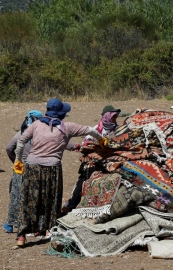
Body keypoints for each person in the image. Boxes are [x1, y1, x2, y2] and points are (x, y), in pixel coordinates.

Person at [13, 98, 105, 247]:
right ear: (61, 113)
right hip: (52, 168)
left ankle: (22, 236)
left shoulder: (36, 124)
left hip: (32, 166)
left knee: (28, 199)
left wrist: (18, 159)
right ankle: (50, 230)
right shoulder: (67, 127)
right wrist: (102, 141)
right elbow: (91, 130)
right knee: (51, 200)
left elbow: (21, 141)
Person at [62, 104, 121, 213]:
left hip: (110, 161)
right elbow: (85, 143)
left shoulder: (118, 129)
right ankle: (71, 205)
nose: (115, 119)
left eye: (116, 117)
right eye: (113, 117)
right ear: (107, 116)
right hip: (94, 161)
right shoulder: (96, 129)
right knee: (83, 183)